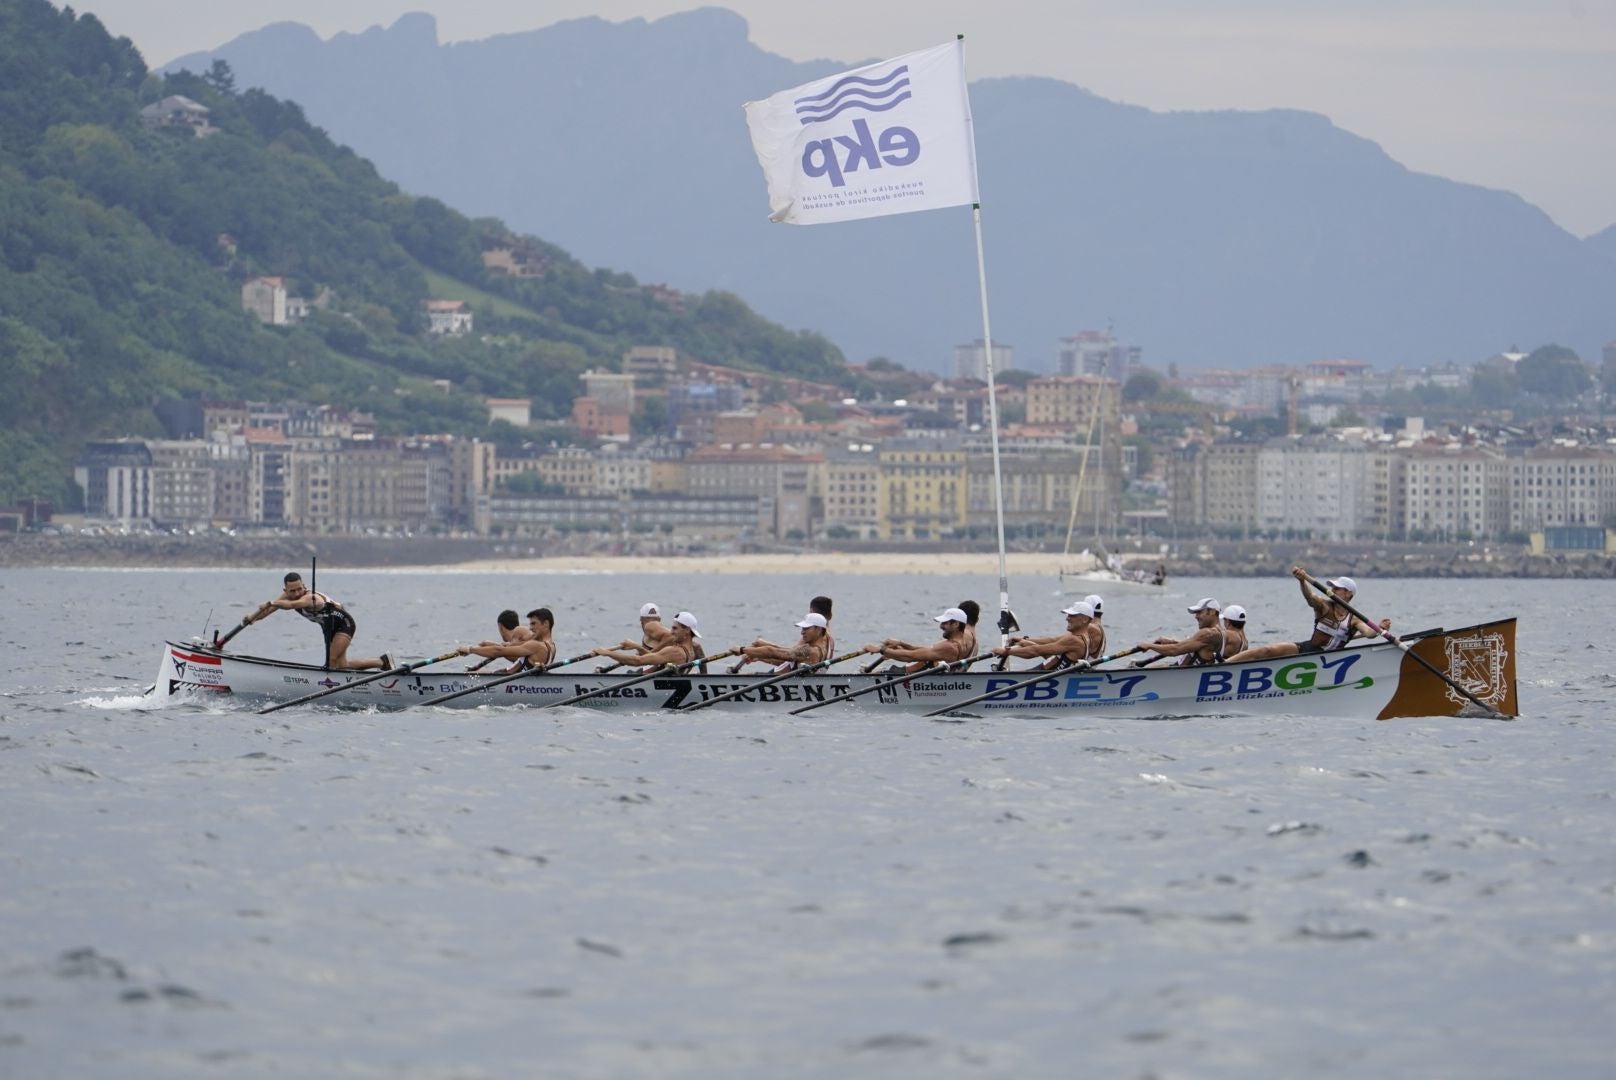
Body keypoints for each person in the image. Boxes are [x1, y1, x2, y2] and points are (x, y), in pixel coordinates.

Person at [1225, 567, 1389, 663]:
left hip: (1327, 659)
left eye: (1337, 588)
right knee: (1267, 650)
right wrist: (1302, 581)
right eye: (1333, 587)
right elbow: (1310, 598)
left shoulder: (1354, 618)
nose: (1333, 590)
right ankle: (1226, 663)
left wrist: (1379, 628)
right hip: (1307, 649)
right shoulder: (1325, 606)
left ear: (1348, 594)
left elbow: (1369, 634)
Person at [237, 571, 388, 671]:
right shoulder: (285, 597)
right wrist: (252, 617)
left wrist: (271, 602)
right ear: (285, 591)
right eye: (292, 591)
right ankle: (382, 662)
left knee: (331, 663)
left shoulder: (310, 597)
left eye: (299, 589)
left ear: (304, 586)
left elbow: (292, 605)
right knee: (342, 666)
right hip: (328, 627)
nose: (296, 593)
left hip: (343, 623)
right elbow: (266, 612)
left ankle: (327, 684)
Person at [862, 607, 973, 674]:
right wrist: (902, 644)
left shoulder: (949, 646)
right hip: (934, 676)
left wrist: (880, 649)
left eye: (944, 623)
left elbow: (910, 657)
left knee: (881, 673)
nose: (941, 626)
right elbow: (927, 651)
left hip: (915, 679)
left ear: (956, 624)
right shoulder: (965, 640)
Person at [1136, 597, 1237, 667]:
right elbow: (1198, 647)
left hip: (1179, 675)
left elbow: (1174, 651)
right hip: (1178, 669)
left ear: (1212, 612)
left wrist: (1149, 646)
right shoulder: (1222, 632)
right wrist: (1172, 641)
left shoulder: (1208, 633)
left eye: (1199, 612)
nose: (1196, 616)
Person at [992, 602, 1095, 669]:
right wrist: (1026, 642)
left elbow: (1035, 652)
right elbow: (1051, 654)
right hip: (1044, 674)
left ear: (1085, 620)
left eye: (1072, 615)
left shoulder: (1074, 640)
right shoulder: (1084, 637)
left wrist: (1006, 651)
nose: (1067, 618)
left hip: (1042, 676)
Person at [592, 611, 701, 671]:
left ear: (687, 630)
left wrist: (608, 653)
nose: (671, 632)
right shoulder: (694, 649)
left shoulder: (674, 651)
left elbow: (638, 661)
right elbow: (702, 663)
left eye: (675, 628)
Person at [458, 608, 557, 673]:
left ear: (546, 624)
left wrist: (470, 649)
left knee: (480, 673)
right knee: (483, 671)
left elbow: (498, 651)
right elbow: (512, 650)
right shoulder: (551, 646)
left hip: (509, 683)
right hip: (513, 680)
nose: (530, 628)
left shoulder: (536, 646)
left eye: (534, 624)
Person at [734, 612, 831, 671]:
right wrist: (759, 657)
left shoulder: (811, 650)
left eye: (806, 629)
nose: (802, 632)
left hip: (777, 683)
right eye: (802, 629)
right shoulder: (817, 647)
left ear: (818, 629)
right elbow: (784, 660)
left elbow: (773, 652)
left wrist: (742, 649)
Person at [467, 609, 535, 670]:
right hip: (531, 669)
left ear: (500, 626)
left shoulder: (520, 630)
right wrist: (476, 667)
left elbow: (504, 652)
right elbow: (503, 651)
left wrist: (470, 649)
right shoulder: (517, 640)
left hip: (537, 669)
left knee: (483, 671)